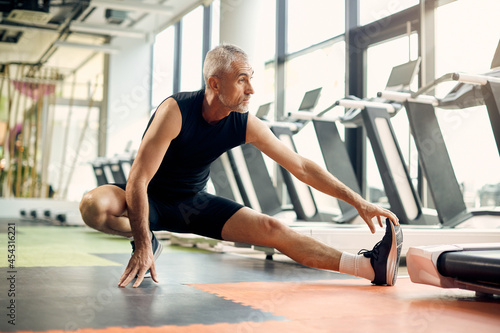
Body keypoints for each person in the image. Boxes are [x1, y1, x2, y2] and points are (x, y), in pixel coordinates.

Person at [79, 44, 402, 289]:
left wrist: (358, 201)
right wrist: (142, 243)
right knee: (93, 205)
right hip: (147, 197)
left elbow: (301, 167)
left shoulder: (244, 123)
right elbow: (138, 180)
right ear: (215, 84)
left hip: (194, 203)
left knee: (273, 229)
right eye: (242, 80)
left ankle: (367, 267)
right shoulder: (175, 111)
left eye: (251, 79)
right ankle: (148, 234)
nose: (251, 89)